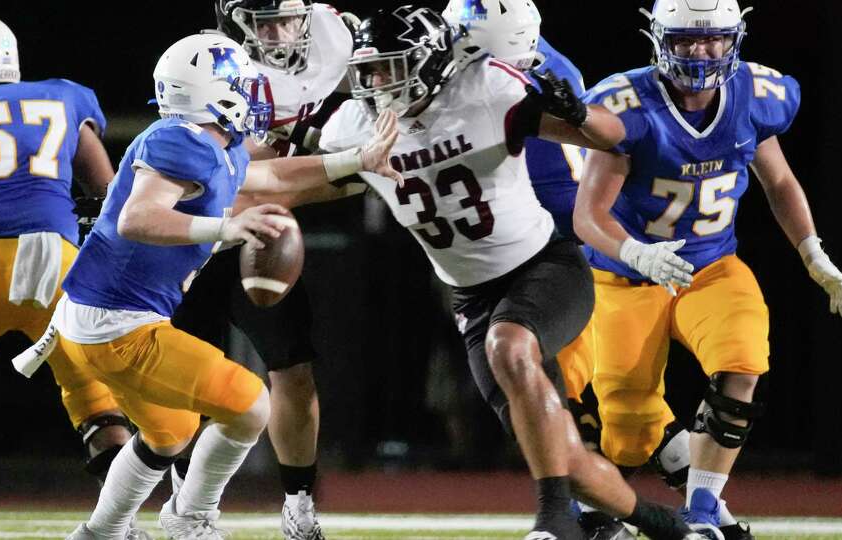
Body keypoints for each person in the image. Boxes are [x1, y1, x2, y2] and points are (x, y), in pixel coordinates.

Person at [280, 6, 706, 540]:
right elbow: (295, 178)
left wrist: (578, 114)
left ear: (433, 62)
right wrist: (222, 202)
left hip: (544, 269)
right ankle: (671, 530)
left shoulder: (484, 90)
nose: (381, 84)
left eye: (396, 67)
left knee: (512, 347)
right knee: (567, 460)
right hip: (471, 300)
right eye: (375, 70)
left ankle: (553, 524)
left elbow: (610, 138)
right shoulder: (356, 125)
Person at [42, 32, 400, 540]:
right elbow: (137, 217)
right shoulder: (180, 140)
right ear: (216, 91)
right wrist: (224, 228)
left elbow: (271, 177)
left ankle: (100, 533)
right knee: (251, 404)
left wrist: (357, 160)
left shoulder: (214, 145)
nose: (253, 94)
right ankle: (190, 519)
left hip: (98, 319)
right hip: (117, 324)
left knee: (170, 434)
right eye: (242, 84)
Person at [573, 0, 842, 538]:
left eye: (712, 39)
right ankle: (601, 503)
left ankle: (703, 511)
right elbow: (588, 214)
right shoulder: (628, 104)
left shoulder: (752, 95)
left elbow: (779, 183)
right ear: (659, 39)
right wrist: (637, 252)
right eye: (684, 39)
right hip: (628, 277)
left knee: (743, 356)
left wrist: (812, 252)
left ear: (735, 38)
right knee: (630, 427)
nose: (700, 51)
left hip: (709, 266)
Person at [169, 3, 358, 538]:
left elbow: (378, 85)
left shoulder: (331, 41)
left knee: (294, 371)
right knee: (191, 383)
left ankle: (299, 503)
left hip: (262, 235)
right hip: (199, 240)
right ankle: (187, 504)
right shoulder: (210, 66)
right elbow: (246, 178)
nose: (277, 34)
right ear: (237, 24)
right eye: (263, 21)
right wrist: (350, 172)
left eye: (285, 19)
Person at [0, 11, 133, 487]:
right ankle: (121, 521)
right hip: (59, 263)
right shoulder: (65, 95)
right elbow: (109, 190)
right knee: (99, 404)